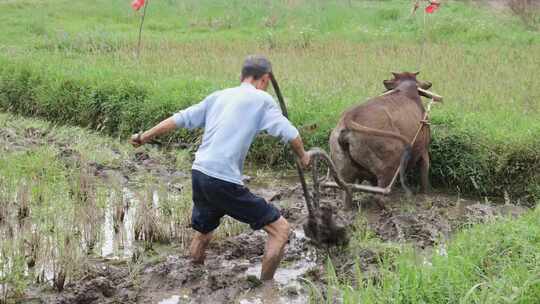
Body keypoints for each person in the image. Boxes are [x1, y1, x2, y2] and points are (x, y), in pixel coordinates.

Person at [129, 55, 311, 281]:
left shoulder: (218, 96)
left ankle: (191, 280)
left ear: (242, 76)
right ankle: (266, 289)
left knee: (204, 233)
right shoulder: (262, 100)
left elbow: (180, 119)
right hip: (223, 180)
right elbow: (290, 133)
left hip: (200, 173)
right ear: (264, 79)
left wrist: (143, 136)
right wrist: (303, 156)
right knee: (280, 230)